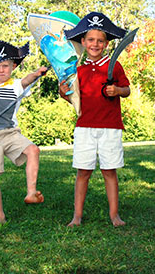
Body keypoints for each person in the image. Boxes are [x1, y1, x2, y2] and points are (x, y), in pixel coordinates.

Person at [59, 12, 130, 227]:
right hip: (85, 127)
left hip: (110, 127)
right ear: (83, 42)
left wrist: (116, 89)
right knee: (83, 172)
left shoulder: (114, 66)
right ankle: (77, 216)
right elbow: (75, 99)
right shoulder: (77, 70)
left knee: (109, 171)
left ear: (107, 44)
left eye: (100, 41)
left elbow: (127, 90)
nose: (95, 44)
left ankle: (114, 215)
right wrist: (64, 93)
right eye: (90, 40)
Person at [0, 40, 48, 227]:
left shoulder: (15, 86)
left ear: (13, 66)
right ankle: (0, 216)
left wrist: (36, 74)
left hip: (9, 132)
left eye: (5, 66)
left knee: (33, 151)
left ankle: (31, 192)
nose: (2, 70)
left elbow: (27, 79)